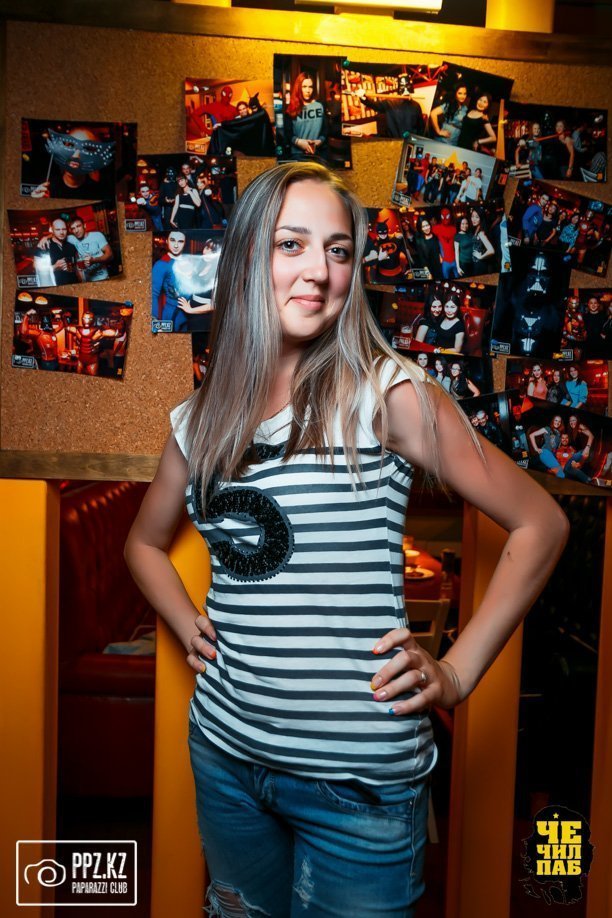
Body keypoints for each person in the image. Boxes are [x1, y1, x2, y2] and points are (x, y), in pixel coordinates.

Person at [124, 162, 568, 918]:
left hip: (358, 786)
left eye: (337, 250)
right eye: (290, 244)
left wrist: (456, 674)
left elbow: (541, 523)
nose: (319, 271)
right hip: (226, 759)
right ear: (246, 258)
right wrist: (184, 619)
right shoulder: (199, 419)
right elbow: (143, 543)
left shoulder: (388, 394)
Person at [30, 125, 115, 199]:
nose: (75, 156)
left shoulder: (101, 194)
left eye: (86, 149)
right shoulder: (47, 189)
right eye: (71, 145)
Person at [357, 75, 423, 139]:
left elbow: (421, 127)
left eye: (407, 85)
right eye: (402, 85)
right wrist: (363, 97)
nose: (405, 88)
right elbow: (374, 105)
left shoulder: (416, 105)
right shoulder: (390, 103)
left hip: (411, 141)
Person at [284, 72, 327, 161]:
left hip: (317, 153)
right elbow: (287, 132)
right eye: (304, 86)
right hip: (297, 154)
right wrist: (299, 142)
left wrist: (319, 141)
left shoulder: (320, 105)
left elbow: (325, 128)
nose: (308, 90)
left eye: (310, 87)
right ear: (298, 87)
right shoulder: (292, 107)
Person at [34, 217, 81, 287]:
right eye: (58, 229)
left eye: (64, 229)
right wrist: (54, 267)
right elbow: (37, 270)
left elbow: (76, 268)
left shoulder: (71, 246)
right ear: (52, 230)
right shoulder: (44, 246)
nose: (61, 232)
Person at [67, 216, 114, 282]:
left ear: (84, 225)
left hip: (103, 278)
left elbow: (110, 255)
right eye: (73, 228)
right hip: (88, 281)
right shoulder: (72, 239)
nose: (76, 230)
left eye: (78, 226)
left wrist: (94, 260)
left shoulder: (97, 235)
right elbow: (58, 235)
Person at [412, 216, 442, 280]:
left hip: (439, 266)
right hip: (429, 269)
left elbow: (438, 249)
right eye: (423, 226)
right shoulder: (419, 241)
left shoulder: (435, 236)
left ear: (430, 225)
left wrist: (440, 256)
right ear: (420, 228)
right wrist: (428, 273)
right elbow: (422, 259)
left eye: (427, 225)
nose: (426, 228)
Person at [432, 207, 457, 279]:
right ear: (441, 216)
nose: (445, 218)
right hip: (444, 261)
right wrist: (438, 255)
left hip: (454, 259)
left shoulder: (454, 229)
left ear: (450, 216)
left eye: (447, 216)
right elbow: (431, 242)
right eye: (443, 216)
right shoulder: (436, 228)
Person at [470, 207, 495, 272]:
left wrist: (480, 257)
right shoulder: (476, 229)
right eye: (472, 216)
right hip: (476, 263)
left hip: (480, 264)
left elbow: (491, 251)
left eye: (477, 217)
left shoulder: (481, 233)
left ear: (481, 218)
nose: (473, 219)